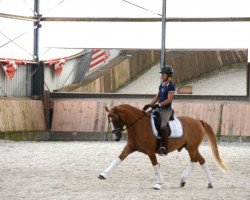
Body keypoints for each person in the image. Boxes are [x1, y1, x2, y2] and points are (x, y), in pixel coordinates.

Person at [143, 65, 175, 155]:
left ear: (168, 75)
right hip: (159, 108)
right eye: (161, 74)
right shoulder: (161, 85)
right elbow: (157, 97)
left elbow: (169, 99)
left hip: (166, 110)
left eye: (163, 74)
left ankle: (165, 147)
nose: (161, 76)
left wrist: (159, 104)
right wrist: (149, 105)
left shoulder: (171, 86)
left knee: (162, 126)